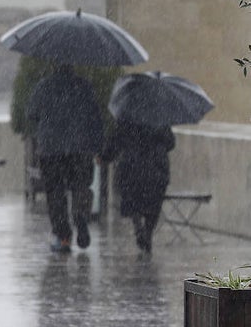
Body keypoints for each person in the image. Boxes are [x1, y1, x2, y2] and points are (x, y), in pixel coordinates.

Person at [26, 63, 104, 252]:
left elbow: (31, 113)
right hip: (80, 148)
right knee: (80, 187)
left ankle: (63, 236)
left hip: (51, 149)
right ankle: (81, 218)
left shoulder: (44, 86)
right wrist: (97, 146)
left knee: (55, 193)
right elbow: (95, 118)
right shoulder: (84, 87)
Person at [99, 120, 175, 255]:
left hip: (132, 166)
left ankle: (138, 227)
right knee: (154, 204)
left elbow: (115, 142)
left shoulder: (127, 118)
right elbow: (170, 143)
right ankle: (148, 232)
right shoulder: (159, 119)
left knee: (133, 201)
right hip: (156, 167)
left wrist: (104, 157)